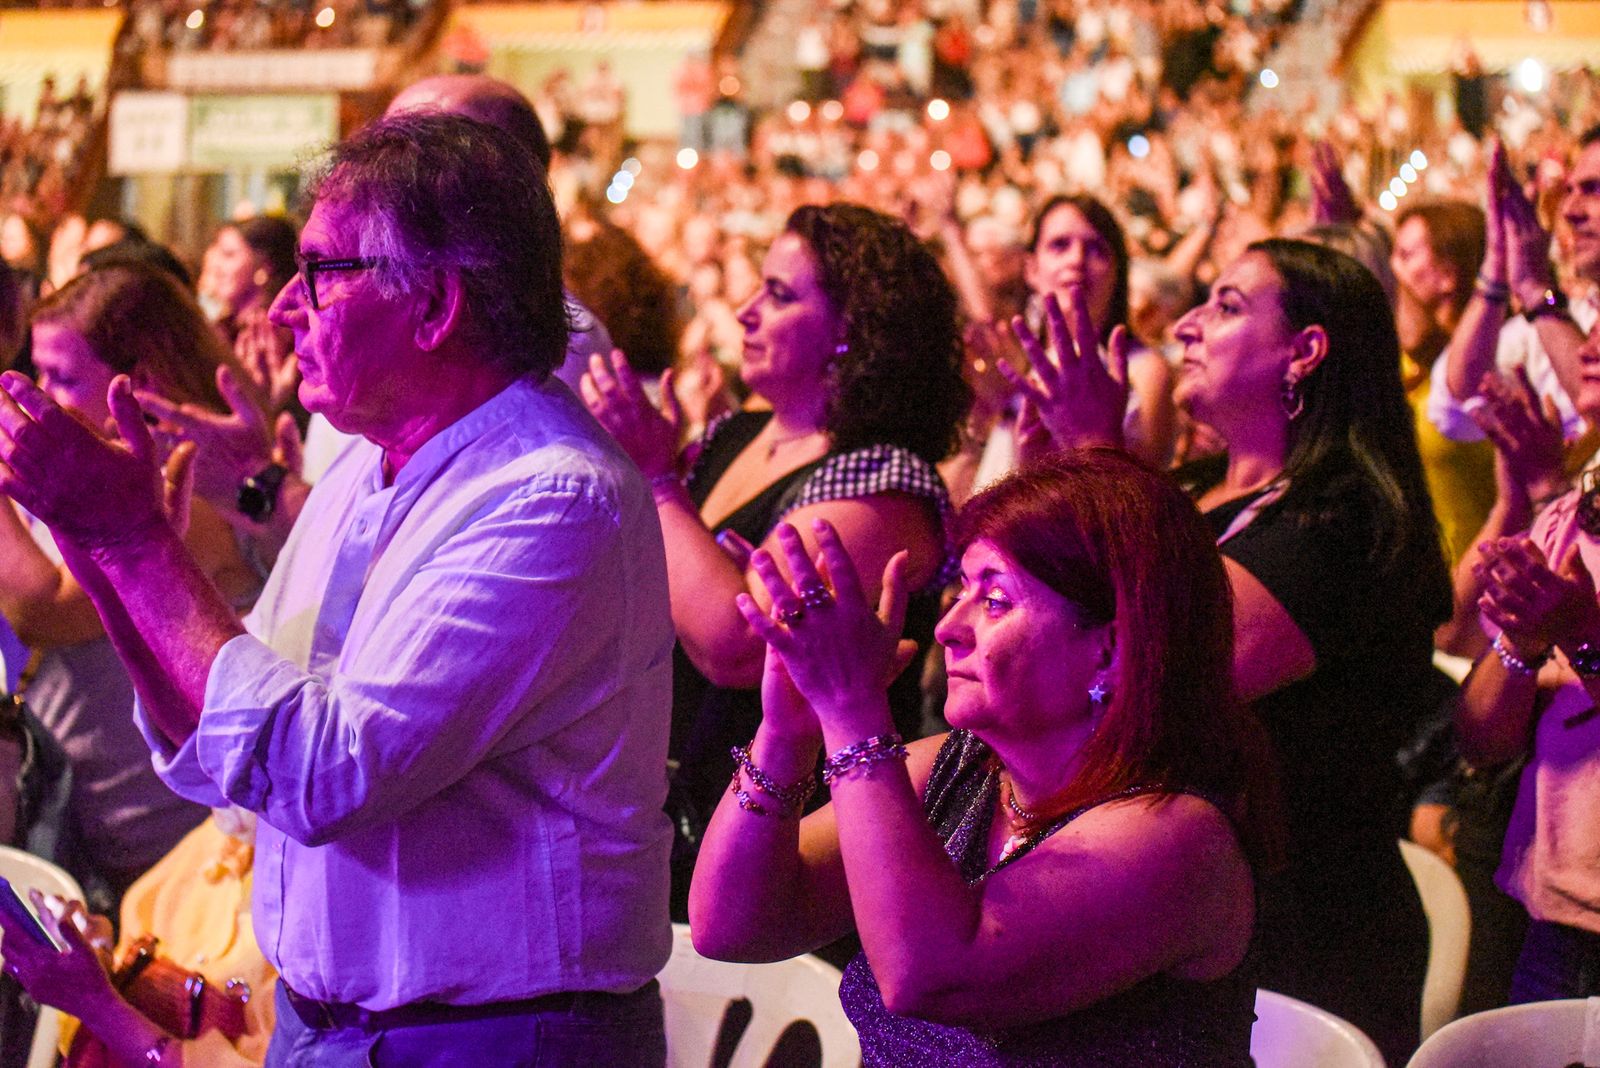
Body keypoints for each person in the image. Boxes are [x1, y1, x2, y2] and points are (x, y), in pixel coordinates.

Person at [0, 111, 674, 1064]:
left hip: (493, 1040)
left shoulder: (551, 499)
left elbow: (323, 775)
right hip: (331, 1028)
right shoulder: (366, 469)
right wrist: (101, 544)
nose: (281, 310)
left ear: (436, 307)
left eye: (319, 273)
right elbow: (231, 758)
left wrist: (131, 538)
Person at [1008, 239, 1451, 1064]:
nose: (1185, 325)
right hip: (1183, 915)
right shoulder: (1196, 485)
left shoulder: (1343, 518)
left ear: (1306, 351)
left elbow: (1158, 670)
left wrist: (1099, 454)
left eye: (1226, 305)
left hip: (1305, 935)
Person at [690, 449, 1276, 1065]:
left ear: (1110, 649)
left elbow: (931, 975)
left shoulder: (1179, 838)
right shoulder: (957, 770)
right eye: (960, 591)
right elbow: (731, 927)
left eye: (994, 601)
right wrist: (787, 733)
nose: (948, 628)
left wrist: (853, 712)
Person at [582, 202, 968, 913]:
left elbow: (736, 648)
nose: (746, 311)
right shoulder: (737, 433)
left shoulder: (884, 479)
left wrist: (657, 480)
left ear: (853, 333)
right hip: (667, 797)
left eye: (780, 295)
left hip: (790, 836)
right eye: (757, 288)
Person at [3, 264, 257, 900]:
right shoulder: (90, 472)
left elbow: (48, 612)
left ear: (137, 384)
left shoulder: (191, 487)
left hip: (175, 851)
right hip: (99, 831)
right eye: (37, 371)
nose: (39, 392)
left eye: (62, 377)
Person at [1460, 315, 1600, 1004]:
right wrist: (1521, 637)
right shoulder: (1573, 512)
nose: (1590, 346)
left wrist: (1579, 633)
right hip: (1553, 921)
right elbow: (1483, 739)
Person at [4, 809, 276, 1067]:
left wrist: (95, 1004)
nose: (215, 783)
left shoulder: (310, 927)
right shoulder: (222, 837)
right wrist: (99, 960)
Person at [1430, 132, 1600, 449]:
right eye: (1570, 191)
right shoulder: (1567, 316)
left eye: (1594, 190)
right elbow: (1455, 405)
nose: (1569, 211)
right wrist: (1498, 270)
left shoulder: (1553, 314)